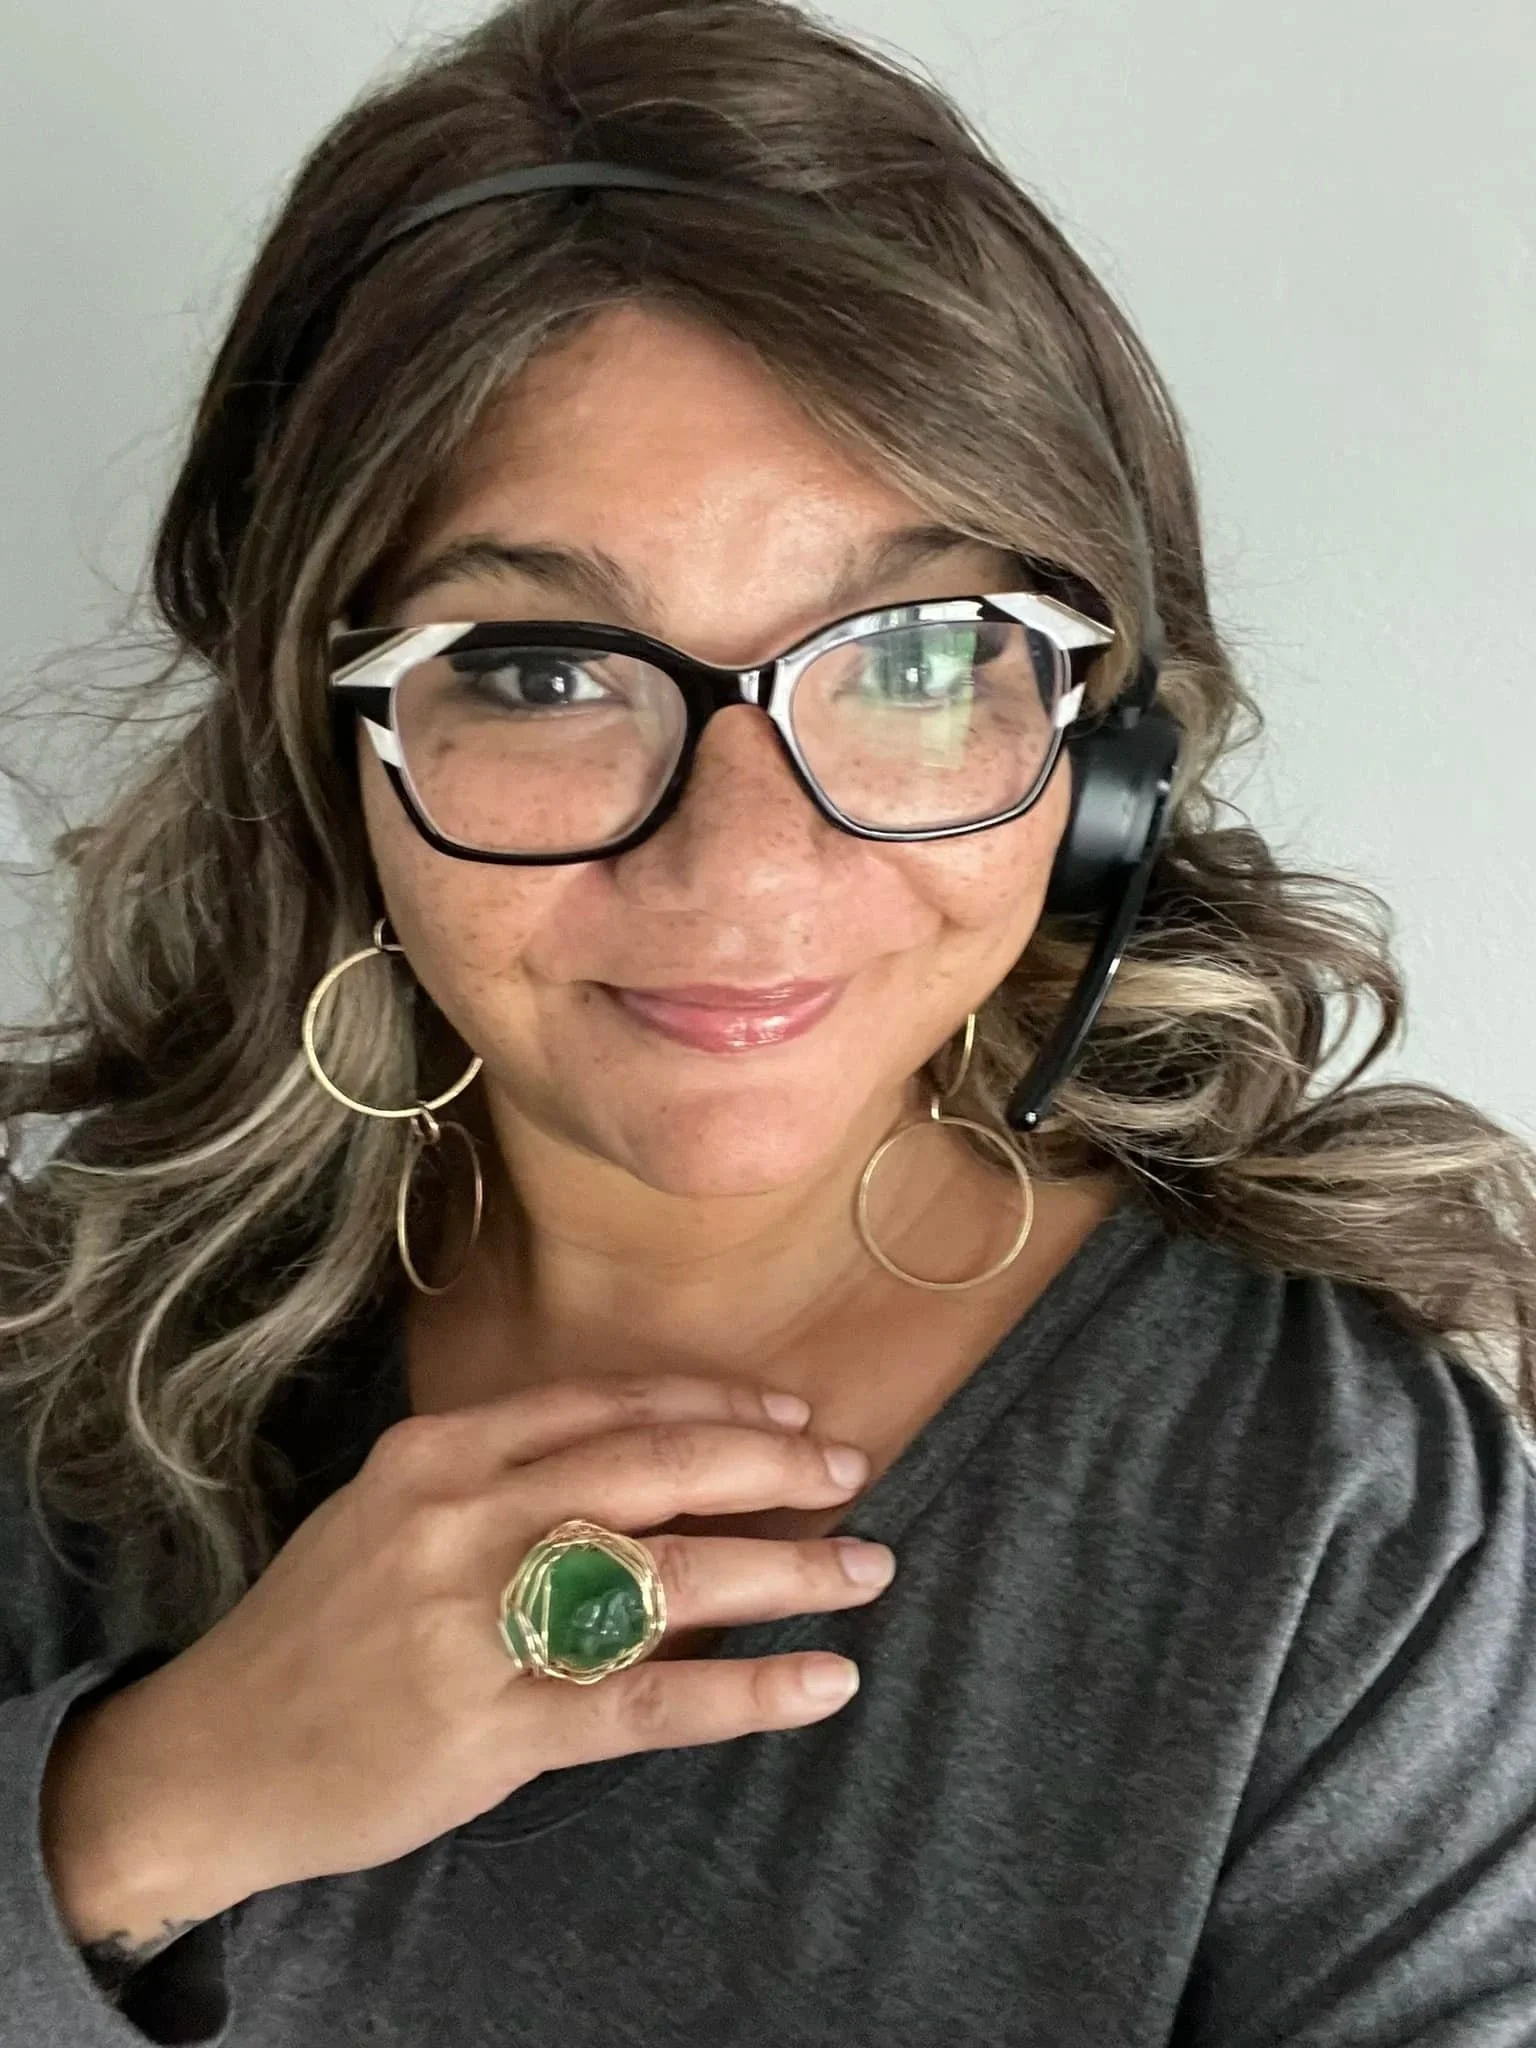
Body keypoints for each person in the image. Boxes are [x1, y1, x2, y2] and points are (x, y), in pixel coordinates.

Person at [2, 0, 1534, 2041]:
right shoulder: (65, 1370)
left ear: (1104, 757)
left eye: (912, 654)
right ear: (334, 749)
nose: (740, 877)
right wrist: (136, 1807)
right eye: (539, 671)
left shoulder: (1342, 1509)